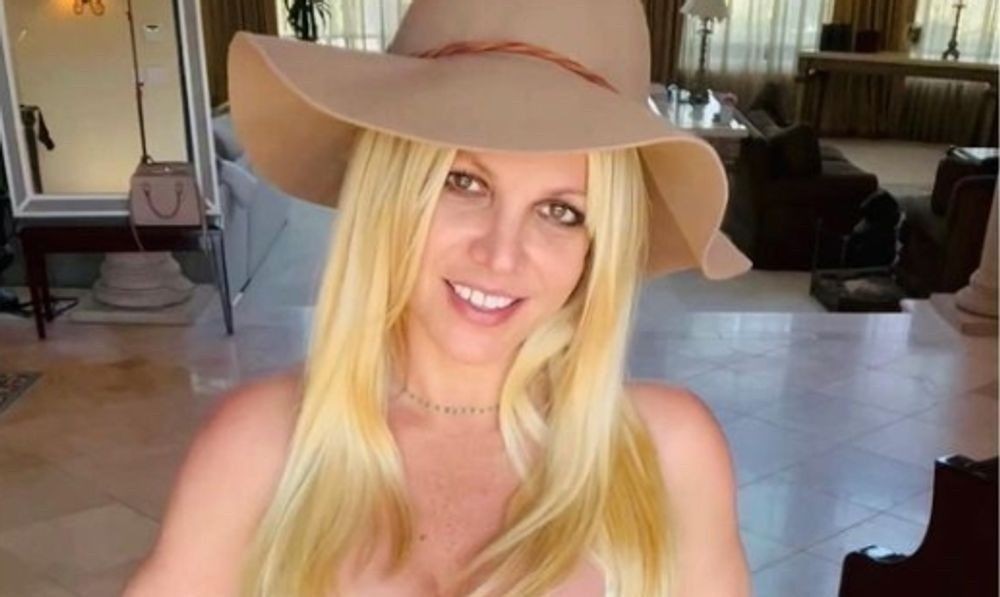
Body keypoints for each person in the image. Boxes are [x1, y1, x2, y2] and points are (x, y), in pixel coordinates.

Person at [124, 0, 753, 595]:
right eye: (465, 182)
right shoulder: (259, 446)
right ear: (391, 187)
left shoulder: (669, 456)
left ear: (597, 248)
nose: (500, 256)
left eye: (561, 211)